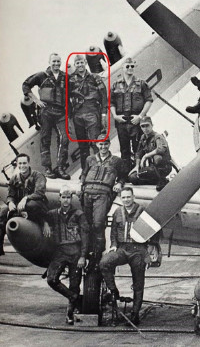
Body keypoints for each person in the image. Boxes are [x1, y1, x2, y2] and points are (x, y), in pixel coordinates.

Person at [100, 187, 159, 325]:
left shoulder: (142, 211)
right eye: (124, 197)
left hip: (137, 249)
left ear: (133, 197)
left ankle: (135, 313)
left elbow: (154, 228)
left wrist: (151, 245)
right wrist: (113, 244)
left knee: (138, 282)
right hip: (122, 248)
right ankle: (114, 291)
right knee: (104, 263)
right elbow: (114, 230)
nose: (126, 200)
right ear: (121, 198)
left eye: (128, 197)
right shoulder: (117, 212)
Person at [43, 185, 88, 325]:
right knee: (51, 279)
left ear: (71, 198)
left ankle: (69, 313)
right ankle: (74, 298)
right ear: (59, 198)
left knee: (75, 284)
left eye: (68, 197)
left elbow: (85, 236)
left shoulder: (79, 215)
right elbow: (39, 215)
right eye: (63, 197)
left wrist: (83, 256)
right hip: (60, 252)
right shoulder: (52, 214)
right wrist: (44, 223)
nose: (66, 200)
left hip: (75, 252)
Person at [22, 53, 70, 179]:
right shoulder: (41, 76)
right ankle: (47, 168)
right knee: (45, 140)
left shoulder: (65, 77)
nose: (56, 64)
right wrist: (36, 100)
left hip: (60, 112)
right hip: (46, 111)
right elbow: (25, 85)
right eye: (53, 61)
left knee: (64, 138)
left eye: (58, 61)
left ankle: (60, 167)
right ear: (49, 62)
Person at [79, 135, 126, 259]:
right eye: (100, 144)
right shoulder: (90, 159)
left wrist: (119, 183)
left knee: (98, 224)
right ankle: (87, 252)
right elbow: (83, 173)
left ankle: (98, 253)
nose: (103, 147)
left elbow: (123, 176)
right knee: (87, 225)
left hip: (103, 193)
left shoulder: (117, 160)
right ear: (97, 145)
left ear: (109, 144)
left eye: (105, 144)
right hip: (87, 192)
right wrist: (81, 183)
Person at [110, 57, 153, 170]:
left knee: (138, 149)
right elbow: (111, 103)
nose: (130, 68)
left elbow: (149, 100)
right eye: (127, 66)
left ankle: (140, 172)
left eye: (132, 66)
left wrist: (140, 116)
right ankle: (126, 173)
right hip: (121, 121)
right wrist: (115, 116)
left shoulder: (142, 84)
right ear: (122, 68)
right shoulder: (115, 85)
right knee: (124, 150)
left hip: (136, 121)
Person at [68, 54, 108, 169]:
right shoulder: (70, 80)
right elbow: (66, 98)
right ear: (75, 65)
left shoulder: (95, 77)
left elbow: (103, 96)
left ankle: (101, 169)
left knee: (96, 142)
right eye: (77, 63)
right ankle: (85, 172)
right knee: (83, 146)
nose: (80, 65)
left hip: (92, 112)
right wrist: (70, 116)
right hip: (78, 115)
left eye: (81, 62)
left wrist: (104, 113)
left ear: (85, 62)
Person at [128, 116, 173, 191]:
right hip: (152, 169)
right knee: (132, 178)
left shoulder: (158, 136)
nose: (145, 128)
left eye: (147, 125)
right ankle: (158, 181)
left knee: (157, 157)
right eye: (143, 126)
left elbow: (161, 149)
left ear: (152, 125)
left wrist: (146, 156)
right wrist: (137, 166)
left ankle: (161, 179)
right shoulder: (143, 137)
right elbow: (138, 153)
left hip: (164, 167)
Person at [4, 153, 49, 227]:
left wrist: (26, 198)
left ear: (29, 163)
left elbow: (40, 193)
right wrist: (10, 202)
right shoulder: (14, 179)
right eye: (20, 163)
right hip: (20, 206)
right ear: (17, 164)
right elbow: (10, 195)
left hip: (38, 206)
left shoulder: (38, 176)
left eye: (24, 163)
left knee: (31, 205)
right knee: (3, 212)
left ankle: (41, 222)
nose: (22, 166)